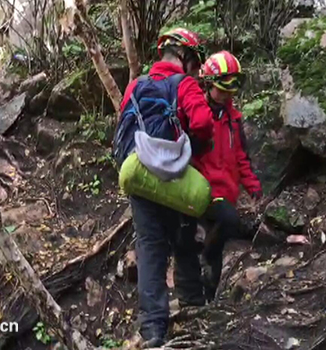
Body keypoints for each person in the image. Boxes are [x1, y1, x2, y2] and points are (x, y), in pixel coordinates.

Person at [114, 28, 216, 348]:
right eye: (196, 64)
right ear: (185, 58)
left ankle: (153, 331)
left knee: (150, 248)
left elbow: (123, 126)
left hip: (139, 175)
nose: (197, 71)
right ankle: (192, 307)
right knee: (184, 239)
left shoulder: (136, 84)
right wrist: (190, 148)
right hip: (171, 176)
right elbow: (202, 123)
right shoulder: (184, 84)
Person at [191, 50, 263, 302]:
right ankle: (201, 267)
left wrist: (253, 186)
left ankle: (208, 298)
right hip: (204, 192)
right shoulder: (197, 115)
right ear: (209, 85)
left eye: (230, 90)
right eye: (222, 89)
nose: (226, 95)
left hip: (227, 192)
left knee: (218, 248)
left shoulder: (234, 119)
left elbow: (242, 157)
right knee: (229, 222)